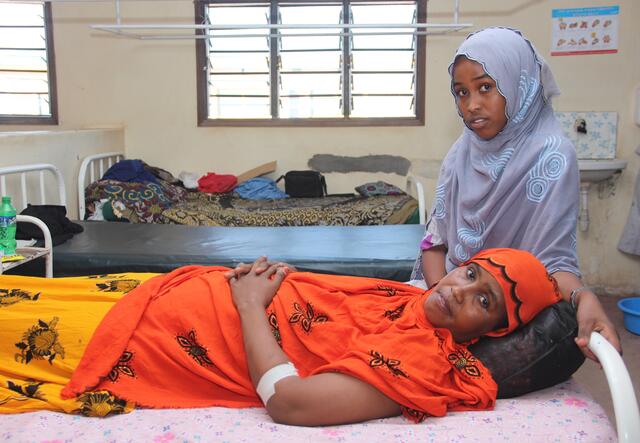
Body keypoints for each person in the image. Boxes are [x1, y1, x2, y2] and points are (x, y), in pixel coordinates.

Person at [0, 248, 559, 426]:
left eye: (484, 300)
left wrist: (248, 303)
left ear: (496, 330)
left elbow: (290, 404)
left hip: (157, 340)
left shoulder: (419, 363)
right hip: (157, 291)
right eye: (469, 273)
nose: (461, 291)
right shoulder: (410, 299)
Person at [411, 27, 620, 360]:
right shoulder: (461, 152)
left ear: (519, 83)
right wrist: (439, 300)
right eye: (461, 93)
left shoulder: (551, 157)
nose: (472, 106)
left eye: (485, 87)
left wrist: (583, 298)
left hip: (505, 318)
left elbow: (551, 264)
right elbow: (435, 243)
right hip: (443, 300)